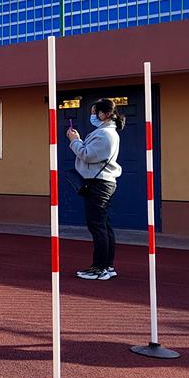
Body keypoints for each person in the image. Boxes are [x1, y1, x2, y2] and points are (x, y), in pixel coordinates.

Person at [68, 98, 125, 281]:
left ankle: (99, 267)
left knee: (98, 226)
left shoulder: (105, 134)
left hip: (99, 184)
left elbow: (87, 155)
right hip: (102, 183)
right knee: (103, 225)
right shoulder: (105, 132)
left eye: (95, 112)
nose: (92, 116)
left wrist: (74, 141)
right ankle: (107, 265)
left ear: (105, 114)